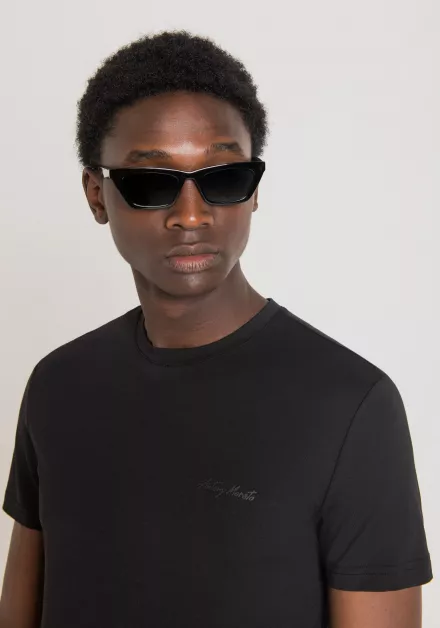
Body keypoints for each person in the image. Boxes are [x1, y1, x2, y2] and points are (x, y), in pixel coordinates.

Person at [0, 30, 432, 628]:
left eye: (224, 177)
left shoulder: (352, 405)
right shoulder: (58, 385)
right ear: (97, 195)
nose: (191, 215)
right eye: (152, 183)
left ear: (254, 191)